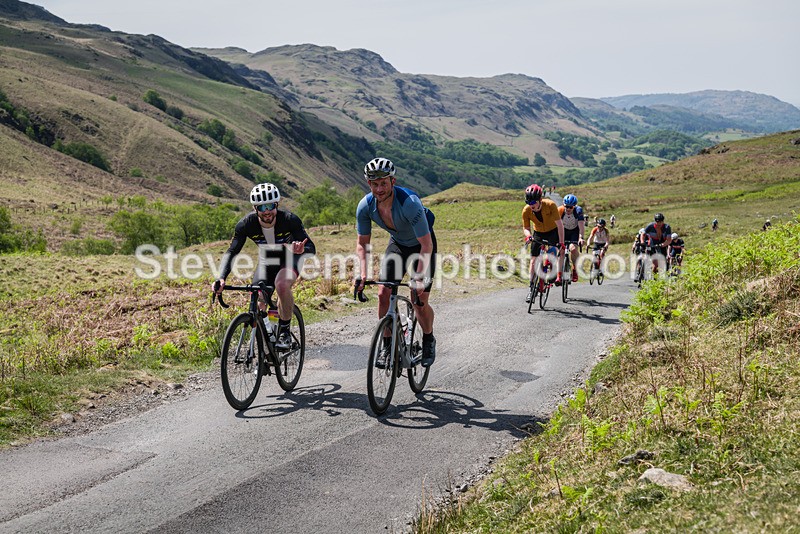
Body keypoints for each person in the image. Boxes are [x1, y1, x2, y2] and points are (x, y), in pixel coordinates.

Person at [354, 157, 438, 368]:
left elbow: (426, 245)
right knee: (383, 294)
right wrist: (362, 274)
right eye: (375, 184)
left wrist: (418, 278)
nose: (379, 188)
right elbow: (363, 244)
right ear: (369, 184)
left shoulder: (409, 203)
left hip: (422, 246)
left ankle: (428, 339)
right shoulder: (365, 206)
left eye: (384, 183)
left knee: (419, 300)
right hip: (399, 244)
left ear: (393, 181)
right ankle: (387, 345)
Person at [213, 183, 316, 350]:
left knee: (281, 285)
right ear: (255, 208)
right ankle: (265, 340)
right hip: (268, 260)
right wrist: (221, 277)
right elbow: (232, 251)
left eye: (270, 206)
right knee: (258, 297)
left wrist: (302, 249)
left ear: (277, 205)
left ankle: (284, 331)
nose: (266, 211)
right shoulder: (246, 224)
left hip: (291, 258)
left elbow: (312, 247)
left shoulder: (289, 219)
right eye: (262, 207)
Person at [522, 184, 565, 298]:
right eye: (528, 202)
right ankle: (531, 288)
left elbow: (560, 225)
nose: (531, 205)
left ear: (540, 199)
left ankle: (552, 270)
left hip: (552, 232)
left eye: (533, 202)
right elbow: (526, 228)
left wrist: (561, 242)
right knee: (533, 260)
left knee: (552, 253)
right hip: (538, 233)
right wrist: (528, 236)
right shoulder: (526, 210)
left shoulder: (550, 205)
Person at [557, 194, 585, 282]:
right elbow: (556, 225)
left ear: (574, 206)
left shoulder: (578, 211)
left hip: (574, 231)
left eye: (571, 207)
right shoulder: (560, 210)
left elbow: (581, 227)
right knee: (561, 251)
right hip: (564, 231)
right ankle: (559, 275)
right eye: (566, 206)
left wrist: (581, 237)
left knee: (573, 249)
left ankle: (575, 269)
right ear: (563, 205)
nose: (568, 209)